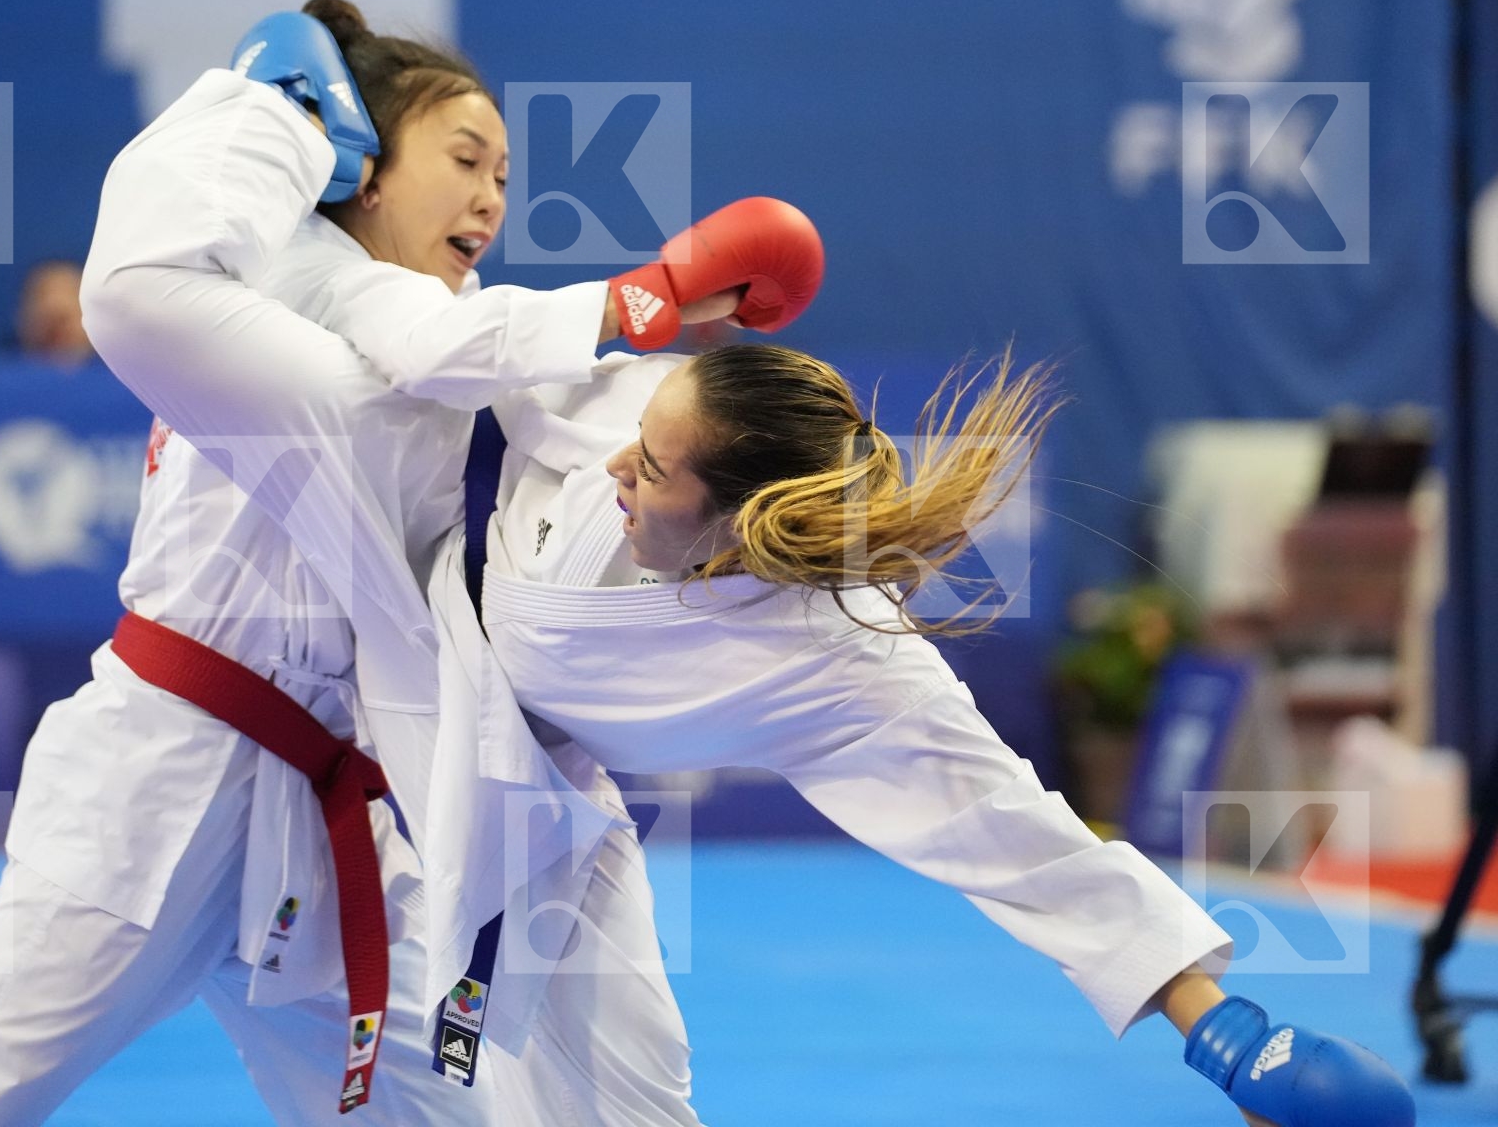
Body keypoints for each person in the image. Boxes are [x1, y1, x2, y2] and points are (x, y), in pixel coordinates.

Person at [0, 0, 816, 1124]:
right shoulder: (277, 288)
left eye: (507, 175)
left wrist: (737, 419)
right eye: (465, 158)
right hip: (165, 772)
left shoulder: (461, 330)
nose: (491, 195)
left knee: (460, 1114)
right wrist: (649, 293)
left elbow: (533, 385)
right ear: (364, 173)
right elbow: (243, 276)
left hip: (326, 813)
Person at [331, 334, 1418, 1126]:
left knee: (636, 1094)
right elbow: (480, 346)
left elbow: (1015, 833)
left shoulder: (836, 658)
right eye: (637, 447)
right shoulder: (636, 403)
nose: (619, 464)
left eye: (655, 469)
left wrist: (1223, 1035)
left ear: (743, 520)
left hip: (527, 790)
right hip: (371, 628)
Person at [15, 259, 93, 363]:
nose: (55, 306)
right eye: (42, 295)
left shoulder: (115, 370)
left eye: (69, 294)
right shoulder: (0, 368)